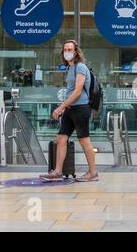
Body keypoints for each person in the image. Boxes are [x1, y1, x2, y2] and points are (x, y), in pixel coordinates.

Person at [40, 39, 98, 182]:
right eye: (65, 50)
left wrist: (60, 107)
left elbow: (78, 91)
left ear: (76, 52)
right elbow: (71, 91)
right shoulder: (70, 68)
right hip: (70, 109)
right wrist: (65, 107)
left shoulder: (80, 67)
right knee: (61, 138)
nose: (67, 52)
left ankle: (93, 173)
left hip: (81, 109)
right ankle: (58, 171)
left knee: (84, 140)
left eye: (70, 50)